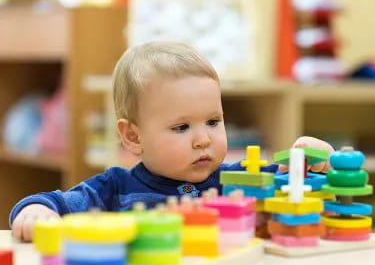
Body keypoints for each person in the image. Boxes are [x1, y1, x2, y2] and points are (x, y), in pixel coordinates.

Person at [10, 42, 334, 241]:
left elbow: (296, 188)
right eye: (182, 128)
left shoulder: (241, 181)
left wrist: (313, 161)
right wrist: (37, 212)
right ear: (133, 136)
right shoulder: (114, 188)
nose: (203, 139)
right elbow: (54, 204)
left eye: (213, 121)